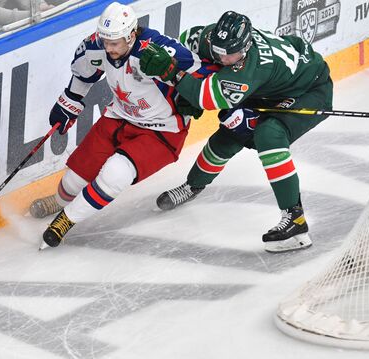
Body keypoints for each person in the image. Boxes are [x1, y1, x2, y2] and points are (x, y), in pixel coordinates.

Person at [139, 11, 333, 253]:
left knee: (269, 134)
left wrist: (174, 74)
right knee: (229, 135)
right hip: (269, 88)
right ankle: (193, 186)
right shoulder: (216, 40)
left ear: (246, 46)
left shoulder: (251, 67)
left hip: (309, 91)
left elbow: (207, 97)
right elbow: (186, 41)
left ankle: (296, 221)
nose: (223, 57)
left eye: (229, 54)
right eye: (218, 51)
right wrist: (188, 74)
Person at [31, 2, 214, 249]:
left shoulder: (159, 49)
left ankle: (65, 221)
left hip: (161, 130)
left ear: (131, 35)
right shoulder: (99, 44)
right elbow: (84, 72)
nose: (108, 47)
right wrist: (71, 100)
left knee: (116, 174)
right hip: (119, 117)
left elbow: (202, 74)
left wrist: (189, 94)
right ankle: (60, 201)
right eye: (105, 41)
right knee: (73, 181)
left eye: (114, 42)